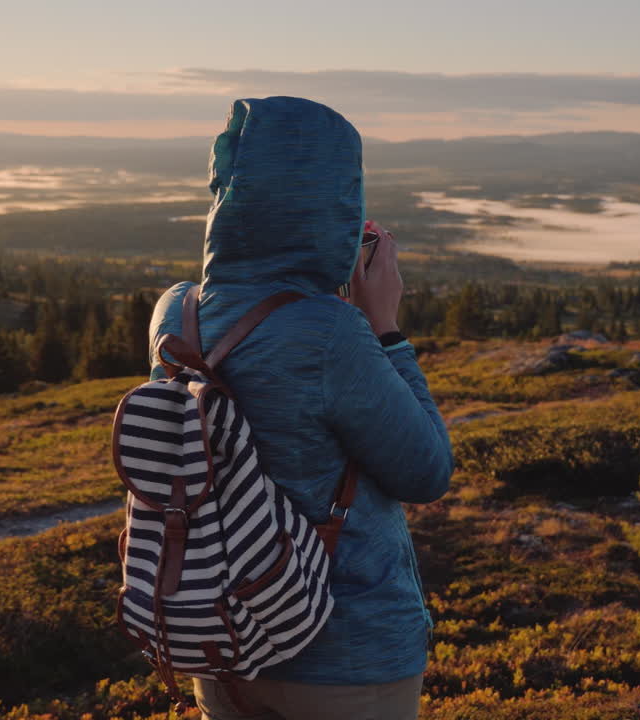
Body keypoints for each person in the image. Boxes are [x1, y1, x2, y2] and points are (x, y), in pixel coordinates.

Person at [147, 96, 454, 720]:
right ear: (337, 208)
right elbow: (426, 472)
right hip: (348, 657)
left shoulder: (176, 313)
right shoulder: (329, 331)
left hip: (221, 634)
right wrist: (385, 328)